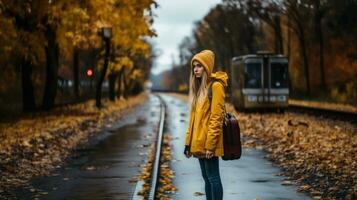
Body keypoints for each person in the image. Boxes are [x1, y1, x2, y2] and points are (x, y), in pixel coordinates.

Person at [184, 50, 228, 200]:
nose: (195, 69)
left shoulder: (216, 87)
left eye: (199, 66)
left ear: (207, 67)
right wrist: (188, 143)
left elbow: (216, 118)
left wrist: (210, 145)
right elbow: (193, 120)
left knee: (213, 178)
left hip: (209, 143)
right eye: (194, 66)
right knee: (206, 178)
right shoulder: (199, 89)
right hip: (199, 142)